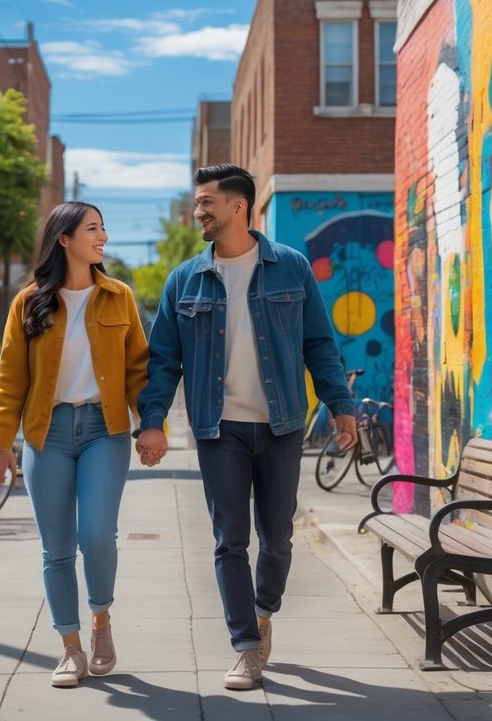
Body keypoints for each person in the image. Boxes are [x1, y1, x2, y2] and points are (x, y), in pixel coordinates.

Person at [135, 164, 355, 690]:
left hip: (280, 425)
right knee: (228, 540)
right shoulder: (183, 279)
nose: (199, 212)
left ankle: (262, 611)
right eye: (197, 203)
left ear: (239, 206)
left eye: (207, 202)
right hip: (218, 428)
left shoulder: (291, 267)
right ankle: (245, 646)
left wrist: (339, 403)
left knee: (276, 538)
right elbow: (164, 360)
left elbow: (318, 343)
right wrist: (153, 421)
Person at [0, 201, 149, 688]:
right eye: (93, 229)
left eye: (103, 228)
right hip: (48, 434)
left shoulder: (118, 296)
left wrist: (152, 424)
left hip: (105, 430)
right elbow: (11, 378)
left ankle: (100, 622)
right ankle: (70, 648)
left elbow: (140, 369)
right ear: (65, 239)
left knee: (97, 534)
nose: (103, 236)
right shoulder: (28, 303)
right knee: (56, 547)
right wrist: (1, 445)